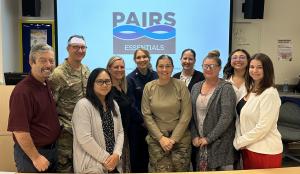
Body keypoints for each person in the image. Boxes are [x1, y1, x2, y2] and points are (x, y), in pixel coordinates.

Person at [7, 44, 61, 172]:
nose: (48, 65)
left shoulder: (45, 83)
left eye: (51, 61)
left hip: (51, 151)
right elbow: (19, 131)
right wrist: (36, 157)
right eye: (43, 60)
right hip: (32, 155)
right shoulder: (23, 91)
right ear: (32, 62)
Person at [142, 55, 192, 172]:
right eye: (161, 66)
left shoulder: (181, 85)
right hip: (157, 140)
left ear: (173, 68)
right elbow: (146, 115)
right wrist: (161, 138)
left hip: (180, 140)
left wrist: (173, 139)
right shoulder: (149, 87)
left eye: (168, 66)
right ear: (156, 68)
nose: (164, 69)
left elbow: (186, 114)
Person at [233, 53, 283, 169]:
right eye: (252, 67)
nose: (254, 70)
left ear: (267, 70)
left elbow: (263, 127)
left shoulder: (270, 93)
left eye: (259, 67)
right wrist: (241, 141)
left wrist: (240, 142)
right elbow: (241, 118)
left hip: (265, 151)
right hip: (248, 148)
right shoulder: (251, 89)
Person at [48, 35, 90, 172]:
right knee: (65, 169)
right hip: (66, 134)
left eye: (83, 47)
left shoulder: (86, 70)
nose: (80, 50)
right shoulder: (58, 74)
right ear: (68, 48)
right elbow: (49, 106)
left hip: (84, 132)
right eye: (75, 47)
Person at [190, 50, 236, 171]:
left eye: (212, 66)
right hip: (200, 143)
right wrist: (194, 136)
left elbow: (226, 118)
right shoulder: (196, 87)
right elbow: (192, 115)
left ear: (219, 68)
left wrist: (209, 138)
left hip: (220, 144)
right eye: (205, 66)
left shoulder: (226, 88)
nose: (208, 69)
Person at [72, 68, 124, 173]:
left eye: (107, 81)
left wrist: (117, 154)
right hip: (92, 165)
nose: (104, 85)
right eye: (100, 81)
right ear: (92, 83)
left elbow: (120, 132)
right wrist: (107, 159)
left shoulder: (113, 104)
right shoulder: (83, 105)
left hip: (113, 164)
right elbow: (84, 138)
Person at [172, 48, 204, 171]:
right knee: (180, 160)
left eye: (190, 59)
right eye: (185, 58)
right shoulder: (174, 77)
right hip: (177, 124)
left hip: (195, 124)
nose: (187, 61)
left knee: (195, 158)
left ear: (195, 61)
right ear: (180, 60)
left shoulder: (201, 77)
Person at [126, 48, 158, 172]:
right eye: (138, 57)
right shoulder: (130, 79)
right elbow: (131, 105)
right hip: (138, 126)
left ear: (149, 58)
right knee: (138, 159)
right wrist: (145, 121)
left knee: (154, 158)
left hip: (156, 125)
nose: (142, 59)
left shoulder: (156, 76)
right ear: (135, 60)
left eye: (144, 56)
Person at [223, 49, 251, 169]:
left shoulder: (254, 82)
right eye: (235, 57)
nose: (238, 60)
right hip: (227, 127)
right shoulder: (224, 82)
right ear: (230, 61)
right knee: (230, 161)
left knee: (246, 162)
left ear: (248, 61)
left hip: (248, 128)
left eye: (242, 57)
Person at [106, 56, 131, 172]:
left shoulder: (122, 88)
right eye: (116, 67)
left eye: (122, 67)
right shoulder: (107, 90)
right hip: (112, 138)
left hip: (123, 135)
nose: (120, 69)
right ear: (109, 69)